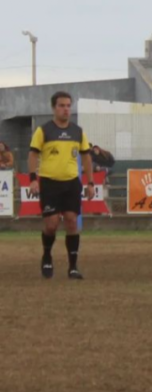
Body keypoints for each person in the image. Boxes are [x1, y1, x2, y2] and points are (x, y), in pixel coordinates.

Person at [27, 91, 95, 279]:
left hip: (71, 182)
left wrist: (90, 182)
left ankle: (73, 267)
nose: (66, 109)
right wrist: (33, 179)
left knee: (72, 221)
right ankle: (47, 256)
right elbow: (33, 154)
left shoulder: (78, 131)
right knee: (52, 224)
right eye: (61, 106)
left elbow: (86, 157)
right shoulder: (43, 130)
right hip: (49, 183)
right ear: (53, 108)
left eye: (68, 106)